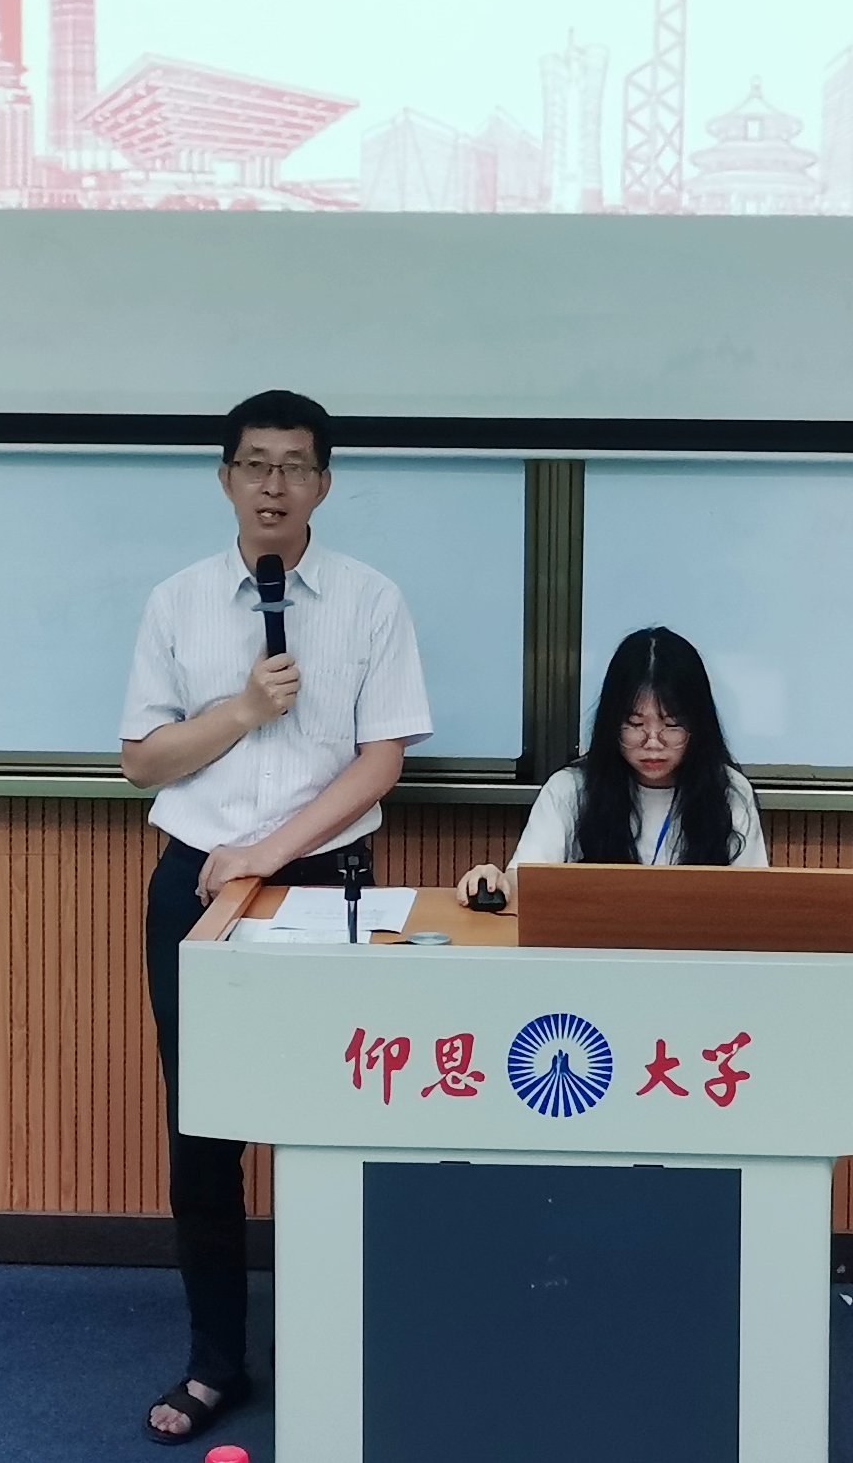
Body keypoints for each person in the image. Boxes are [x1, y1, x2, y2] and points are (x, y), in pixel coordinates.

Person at [119, 388, 429, 1447]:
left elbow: (381, 759)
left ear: (323, 484)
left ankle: (331, 1347)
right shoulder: (177, 602)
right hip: (195, 888)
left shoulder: (371, 601)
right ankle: (216, 1359)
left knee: (331, 1115)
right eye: (255, 464)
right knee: (203, 1127)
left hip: (322, 883)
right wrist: (243, 710)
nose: (274, 485)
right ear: (225, 478)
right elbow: (142, 761)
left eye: (295, 466)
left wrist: (267, 852)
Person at [458, 626, 766, 901]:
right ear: (611, 723)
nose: (653, 742)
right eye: (635, 724)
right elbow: (526, 882)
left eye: (672, 725)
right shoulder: (571, 789)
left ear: (699, 725)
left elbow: (755, 897)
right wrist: (496, 880)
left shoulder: (729, 791)